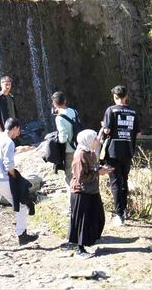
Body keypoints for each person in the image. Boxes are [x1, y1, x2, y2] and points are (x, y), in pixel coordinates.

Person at [0, 118, 38, 251]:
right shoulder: (9, 142)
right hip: (3, 180)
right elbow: (9, 165)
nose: (19, 133)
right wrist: (17, 177)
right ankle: (22, 235)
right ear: (15, 128)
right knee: (22, 205)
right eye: (19, 130)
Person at [68, 129, 113, 258]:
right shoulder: (80, 155)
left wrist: (101, 169)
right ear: (87, 141)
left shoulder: (91, 153)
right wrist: (98, 173)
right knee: (82, 221)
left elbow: (92, 169)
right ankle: (79, 249)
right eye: (94, 139)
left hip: (91, 190)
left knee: (97, 217)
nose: (97, 141)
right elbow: (80, 177)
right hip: (81, 192)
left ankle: (89, 241)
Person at [102, 85, 141, 225]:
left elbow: (106, 130)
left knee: (115, 183)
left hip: (113, 152)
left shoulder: (110, 110)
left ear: (115, 97)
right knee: (124, 181)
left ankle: (119, 214)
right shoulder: (133, 112)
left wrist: (104, 126)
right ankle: (124, 211)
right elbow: (138, 133)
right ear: (126, 96)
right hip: (128, 150)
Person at [52, 91, 78, 191]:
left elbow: (62, 139)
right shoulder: (74, 112)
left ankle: (72, 202)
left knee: (70, 177)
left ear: (54, 104)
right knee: (79, 174)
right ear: (65, 101)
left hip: (69, 151)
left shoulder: (59, 118)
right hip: (78, 147)